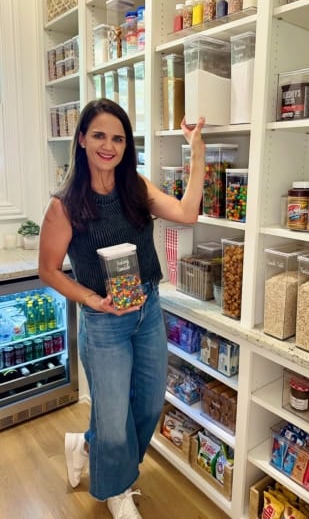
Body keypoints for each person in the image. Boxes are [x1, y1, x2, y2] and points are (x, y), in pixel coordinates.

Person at [38, 98, 205, 519]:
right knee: (113, 416)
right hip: (103, 321)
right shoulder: (64, 206)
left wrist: (196, 150)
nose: (109, 145)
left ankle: (87, 444)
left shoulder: (136, 187)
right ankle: (117, 488)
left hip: (147, 310)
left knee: (148, 404)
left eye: (118, 137)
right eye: (99, 135)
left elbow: (187, 214)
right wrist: (93, 299)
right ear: (82, 140)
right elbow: (49, 271)